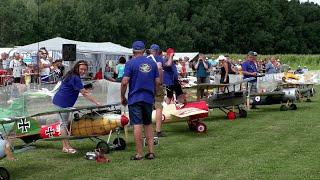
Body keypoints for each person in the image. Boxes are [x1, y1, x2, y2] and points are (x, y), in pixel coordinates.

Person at [121, 41, 160, 160]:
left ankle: (139, 153)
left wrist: (122, 97)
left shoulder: (130, 63)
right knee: (148, 124)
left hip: (135, 98)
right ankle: (151, 152)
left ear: (133, 51)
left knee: (137, 124)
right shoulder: (152, 64)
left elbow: (124, 82)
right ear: (144, 51)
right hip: (148, 97)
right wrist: (155, 93)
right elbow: (158, 82)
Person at [52, 60, 101, 154]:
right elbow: (84, 93)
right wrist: (97, 102)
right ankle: (66, 147)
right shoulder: (75, 77)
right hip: (62, 103)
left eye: (85, 70)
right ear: (77, 68)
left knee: (65, 124)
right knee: (63, 125)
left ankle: (66, 146)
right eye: (81, 69)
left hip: (61, 102)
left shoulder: (73, 76)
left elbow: (77, 88)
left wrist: (85, 88)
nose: (83, 71)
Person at [147, 44, 165, 137]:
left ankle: (146, 129)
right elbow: (159, 68)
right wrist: (160, 82)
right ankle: (158, 130)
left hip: (147, 86)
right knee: (158, 107)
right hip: (157, 84)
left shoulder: (146, 58)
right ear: (158, 51)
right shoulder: (159, 58)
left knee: (147, 107)